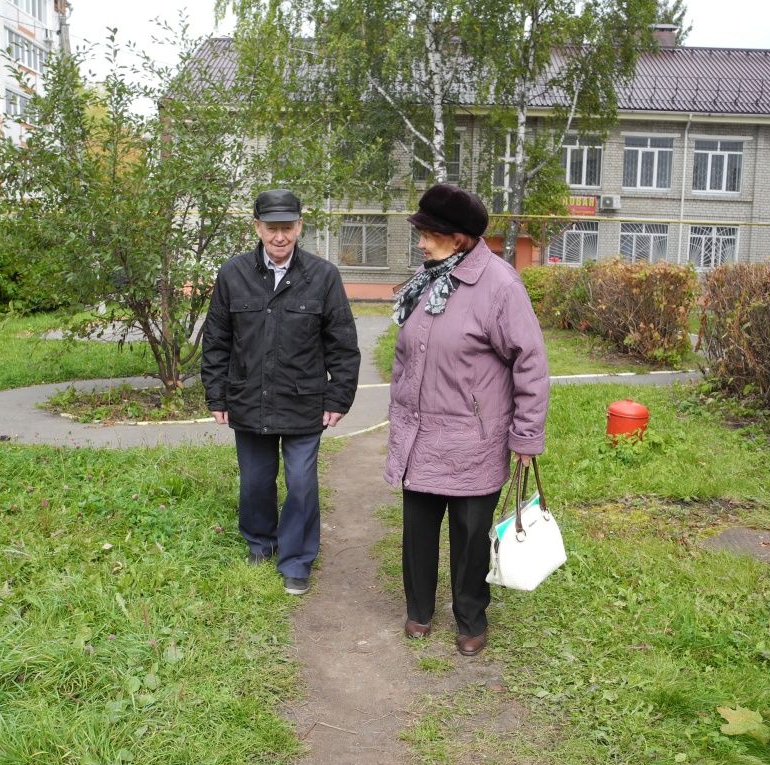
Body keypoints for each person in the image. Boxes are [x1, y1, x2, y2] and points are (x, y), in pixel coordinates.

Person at [385, 184, 549, 656]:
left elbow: (530, 364)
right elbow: (407, 351)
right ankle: (419, 610)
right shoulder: (429, 278)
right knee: (417, 530)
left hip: (473, 436)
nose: (420, 242)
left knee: (470, 536)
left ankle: (470, 618)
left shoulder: (500, 286)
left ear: (458, 239)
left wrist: (526, 435)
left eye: (428, 233)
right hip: (420, 432)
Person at [202, 189, 360, 596]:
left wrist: (338, 397)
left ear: (299, 227)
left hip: (304, 402)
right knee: (255, 482)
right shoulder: (232, 274)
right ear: (257, 228)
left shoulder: (323, 277)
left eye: (287, 228)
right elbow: (217, 341)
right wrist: (216, 395)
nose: (279, 237)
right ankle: (261, 542)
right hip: (248, 400)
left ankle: (297, 559)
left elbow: (342, 344)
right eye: (271, 228)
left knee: (302, 483)